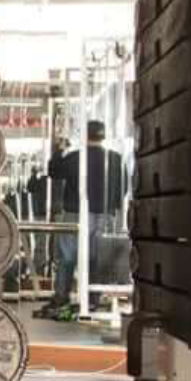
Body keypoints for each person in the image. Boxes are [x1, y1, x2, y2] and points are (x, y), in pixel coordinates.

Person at [47, 120, 128, 314]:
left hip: (75, 213)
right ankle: (92, 299)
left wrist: (59, 150)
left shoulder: (75, 157)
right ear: (104, 136)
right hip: (104, 214)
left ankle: (61, 297)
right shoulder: (116, 158)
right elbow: (123, 188)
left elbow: (53, 172)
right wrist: (112, 209)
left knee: (67, 258)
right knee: (96, 258)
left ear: (84, 136)